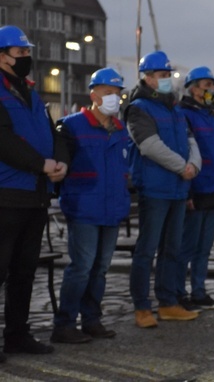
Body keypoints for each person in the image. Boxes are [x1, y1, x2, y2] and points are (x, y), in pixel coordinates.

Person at [0, 25, 69, 361]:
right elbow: (4, 141)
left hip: (35, 193)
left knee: (25, 270)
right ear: (2, 56)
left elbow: (52, 129)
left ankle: (17, 335)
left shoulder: (31, 92)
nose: (27, 57)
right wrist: (41, 164)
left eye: (28, 51)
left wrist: (59, 161)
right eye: (20, 52)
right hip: (6, 192)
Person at [51, 68, 129, 344]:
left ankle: (91, 319)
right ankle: (65, 323)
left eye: (117, 94)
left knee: (101, 268)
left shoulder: (120, 129)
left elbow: (124, 166)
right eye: (108, 93)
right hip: (84, 207)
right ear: (93, 95)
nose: (114, 98)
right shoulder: (72, 126)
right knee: (82, 266)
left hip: (112, 207)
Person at [124, 51, 201, 327]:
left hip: (178, 188)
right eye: (162, 75)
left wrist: (193, 164)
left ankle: (168, 302)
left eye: (169, 75)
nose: (167, 79)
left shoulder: (175, 108)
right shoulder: (139, 108)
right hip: (155, 188)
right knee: (147, 249)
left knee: (172, 248)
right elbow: (149, 145)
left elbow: (190, 140)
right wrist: (183, 167)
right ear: (148, 77)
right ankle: (142, 307)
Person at [176, 66, 214, 311]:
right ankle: (179, 293)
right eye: (206, 85)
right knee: (189, 245)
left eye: (212, 85)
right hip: (197, 188)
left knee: (205, 246)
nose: (211, 90)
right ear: (193, 88)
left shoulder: (212, 114)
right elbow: (186, 153)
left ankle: (199, 291)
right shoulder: (184, 114)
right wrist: (188, 191)